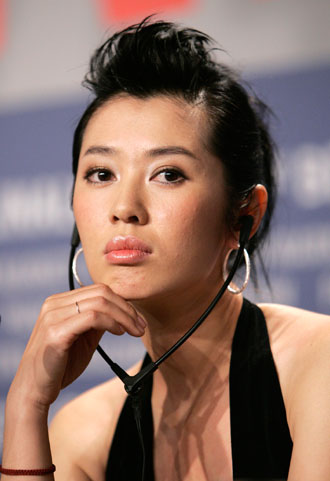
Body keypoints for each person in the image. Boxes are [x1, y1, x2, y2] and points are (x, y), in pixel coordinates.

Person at [1, 17, 330, 481]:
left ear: (244, 217)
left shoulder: (320, 365)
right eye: (100, 173)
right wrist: (26, 405)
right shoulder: (82, 433)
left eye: (168, 174)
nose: (125, 208)